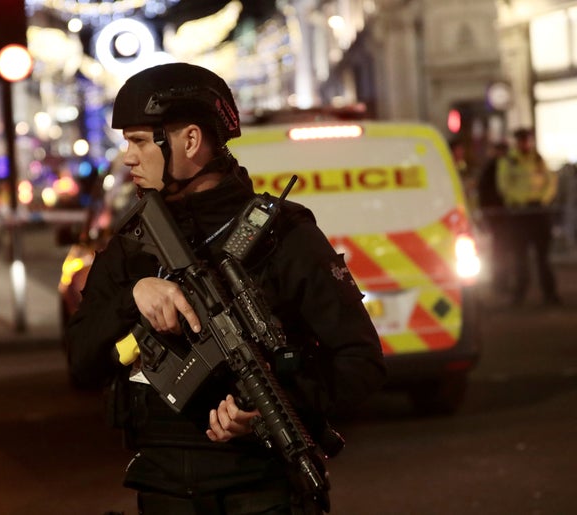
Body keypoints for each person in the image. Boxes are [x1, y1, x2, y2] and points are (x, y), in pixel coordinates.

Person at [66, 62, 387, 514]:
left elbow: (361, 362)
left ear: (190, 140)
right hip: (162, 492)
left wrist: (272, 405)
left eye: (139, 141)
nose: (129, 157)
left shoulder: (284, 235)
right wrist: (133, 296)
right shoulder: (132, 245)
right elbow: (80, 361)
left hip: (260, 491)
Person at [496, 127, 561, 306]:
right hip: (519, 214)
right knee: (520, 257)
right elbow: (504, 186)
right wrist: (520, 201)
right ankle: (519, 294)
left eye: (527, 140)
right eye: (521, 140)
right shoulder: (509, 161)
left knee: (543, 257)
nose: (525, 143)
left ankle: (550, 293)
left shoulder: (538, 159)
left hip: (538, 212)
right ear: (517, 142)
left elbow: (550, 182)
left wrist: (543, 199)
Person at [477, 141, 510, 292]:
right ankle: (499, 283)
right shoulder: (491, 168)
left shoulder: (500, 166)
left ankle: (502, 282)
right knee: (500, 251)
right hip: (498, 216)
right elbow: (484, 191)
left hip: (503, 215)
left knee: (503, 251)